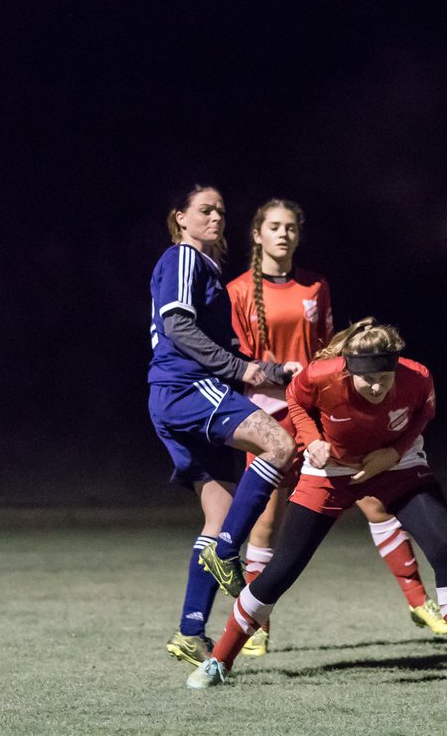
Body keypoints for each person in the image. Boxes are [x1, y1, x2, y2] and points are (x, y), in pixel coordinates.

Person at [186, 319, 447, 695]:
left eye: (385, 376)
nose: (379, 386)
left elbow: (423, 415)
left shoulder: (416, 377)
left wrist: (394, 453)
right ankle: (219, 659)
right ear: (348, 369)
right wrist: (311, 439)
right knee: (281, 571)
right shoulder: (322, 375)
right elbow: (296, 401)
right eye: (369, 379)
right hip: (329, 472)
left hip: (398, 466)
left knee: (445, 549)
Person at [222, 199, 447, 658]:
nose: (283, 234)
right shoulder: (239, 290)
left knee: (375, 502)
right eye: (274, 227)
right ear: (257, 235)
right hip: (268, 419)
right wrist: (272, 374)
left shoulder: (315, 286)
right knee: (267, 523)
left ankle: (420, 602)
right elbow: (238, 362)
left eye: (291, 228)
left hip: (317, 412)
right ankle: (259, 624)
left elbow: (330, 353)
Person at [147, 185, 300, 667]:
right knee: (279, 444)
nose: (216, 218)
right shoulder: (186, 257)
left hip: (175, 396)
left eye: (220, 211)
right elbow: (177, 327)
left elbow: (226, 351)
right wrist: (240, 372)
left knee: (218, 515)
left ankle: (190, 630)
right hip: (186, 388)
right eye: (205, 210)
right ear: (180, 218)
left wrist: (272, 372)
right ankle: (230, 551)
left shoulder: (204, 266)